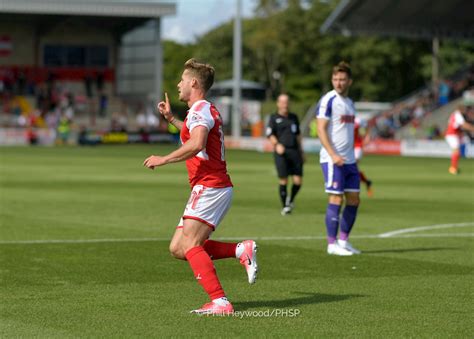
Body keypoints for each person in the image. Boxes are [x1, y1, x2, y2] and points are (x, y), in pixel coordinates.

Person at [143, 59, 258, 315]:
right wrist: (171, 118)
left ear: (194, 82)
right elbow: (193, 134)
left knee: (191, 244)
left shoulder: (199, 110)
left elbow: (196, 144)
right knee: (178, 248)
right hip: (207, 186)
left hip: (211, 185)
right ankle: (240, 250)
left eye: (182, 80)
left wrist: (163, 159)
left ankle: (220, 301)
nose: (178, 84)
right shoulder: (203, 109)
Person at [316, 61, 361, 256]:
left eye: (342, 79)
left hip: (350, 160)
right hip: (332, 159)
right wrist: (333, 154)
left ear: (349, 81)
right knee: (336, 198)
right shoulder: (329, 100)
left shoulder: (350, 104)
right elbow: (320, 129)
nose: (338, 82)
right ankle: (331, 244)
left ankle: (343, 241)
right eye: (335, 79)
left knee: (354, 199)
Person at [266, 94, 304, 215]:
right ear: (278, 103)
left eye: (287, 102)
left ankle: (290, 199)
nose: (285, 104)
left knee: (298, 181)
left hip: (295, 151)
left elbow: (298, 135)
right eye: (282, 102)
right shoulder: (273, 118)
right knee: (284, 179)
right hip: (281, 152)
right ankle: (285, 207)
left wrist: (301, 151)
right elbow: (269, 134)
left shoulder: (294, 117)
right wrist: (277, 145)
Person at [445, 104, 474, 175]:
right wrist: (472, 128)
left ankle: (454, 167)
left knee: (457, 152)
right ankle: (453, 168)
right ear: (461, 109)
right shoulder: (458, 115)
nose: (465, 111)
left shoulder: (453, 115)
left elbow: (455, 125)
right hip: (452, 135)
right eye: (464, 109)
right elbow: (463, 124)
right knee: (456, 152)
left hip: (453, 135)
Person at [354, 116, 373, 197]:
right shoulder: (344, 119)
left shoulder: (358, 120)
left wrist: (368, 137)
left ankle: (353, 189)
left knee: (353, 166)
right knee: (352, 169)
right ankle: (366, 181)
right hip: (349, 147)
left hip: (358, 146)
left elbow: (367, 126)